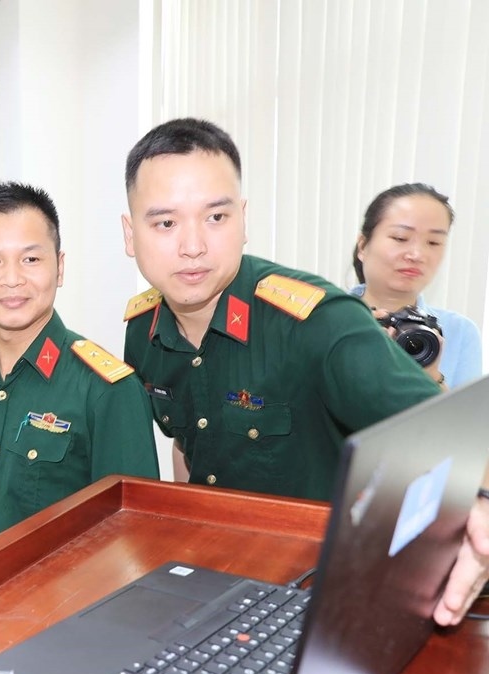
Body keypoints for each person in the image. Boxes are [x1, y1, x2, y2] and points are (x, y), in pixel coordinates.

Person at [118, 117, 488, 627]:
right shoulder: (143, 329)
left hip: (322, 594)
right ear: (129, 234)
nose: (193, 245)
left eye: (216, 217)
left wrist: (482, 498)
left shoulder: (319, 322)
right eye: (165, 223)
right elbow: (187, 443)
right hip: (216, 582)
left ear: (243, 220)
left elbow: (450, 437)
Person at [0, 183, 159, 569]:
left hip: (61, 619)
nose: (12, 279)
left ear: (59, 266)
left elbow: (134, 534)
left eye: (31, 260)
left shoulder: (106, 391)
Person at [350, 183, 482, 388]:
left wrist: (431, 378)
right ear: (363, 246)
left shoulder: (458, 331)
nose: (416, 255)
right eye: (400, 238)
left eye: (433, 242)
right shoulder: (324, 321)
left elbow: (466, 419)